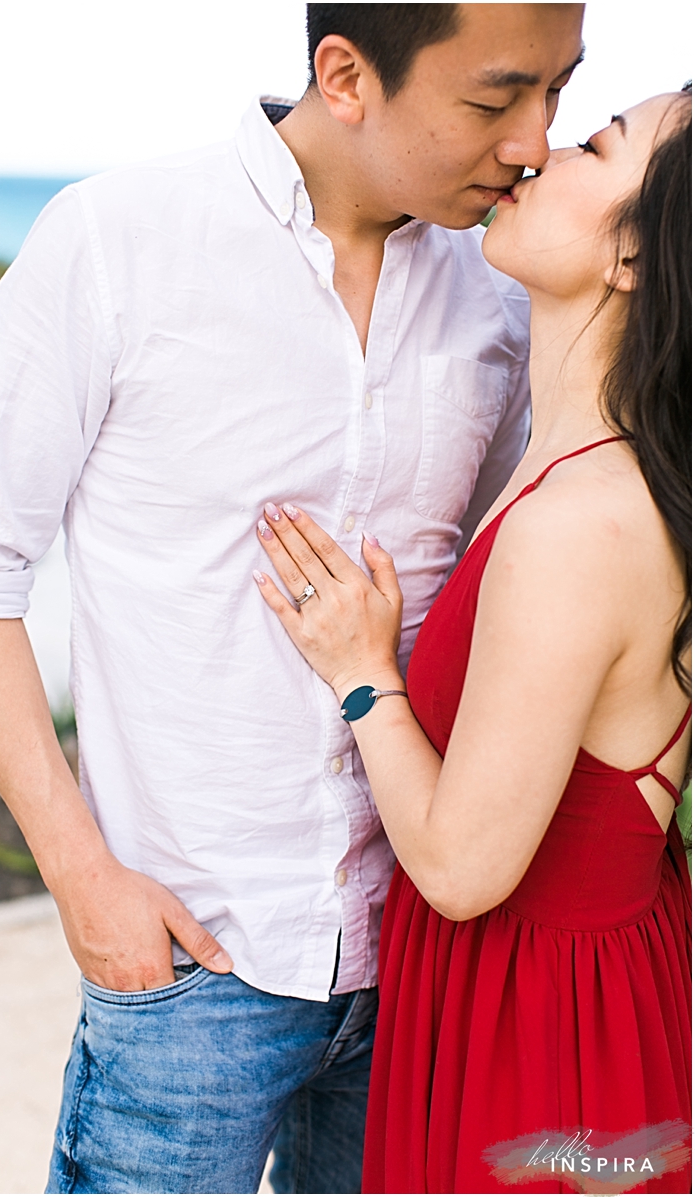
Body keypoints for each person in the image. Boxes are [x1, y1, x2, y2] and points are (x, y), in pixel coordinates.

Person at [0, 5, 586, 1193]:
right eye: (492, 101)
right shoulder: (117, 239)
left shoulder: (502, 290)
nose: (531, 142)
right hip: (187, 966)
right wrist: (80, 878)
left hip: (426, 952)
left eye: (559, 97)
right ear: (345, 74)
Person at [254, 87, 692, 1194]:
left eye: (595, 145)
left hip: (544, 1046)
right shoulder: (580, 477)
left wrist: (364, 679)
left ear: (635, 259)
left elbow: (457, 869)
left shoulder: (579, 522)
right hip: (560, 1002)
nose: (540, 150)